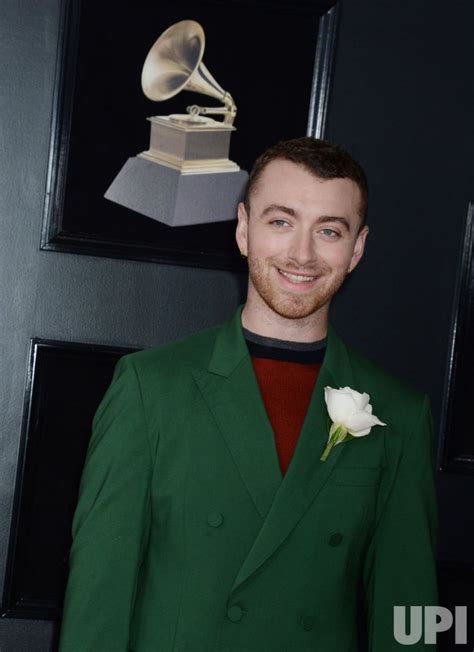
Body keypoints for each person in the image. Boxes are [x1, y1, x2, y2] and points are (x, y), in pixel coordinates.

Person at [59, 137, 438, 651]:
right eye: (280, 222)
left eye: (329, 230)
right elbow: (96, 598)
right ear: (244, 230)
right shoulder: (150, 388)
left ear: (357, 249)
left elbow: (410, 612)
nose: (302, 254)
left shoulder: (399, 414)